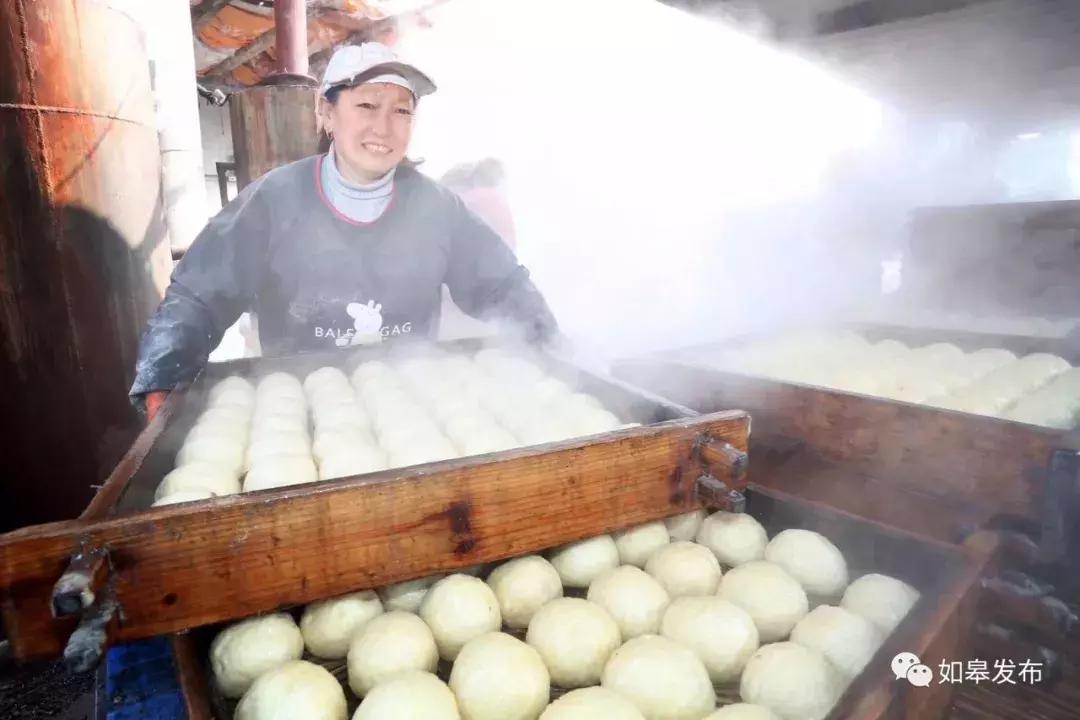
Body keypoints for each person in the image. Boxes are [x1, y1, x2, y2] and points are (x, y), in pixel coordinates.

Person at [131, 42, 558, 416]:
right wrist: (164, 374)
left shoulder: (437, 208)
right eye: (367, 106)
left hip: (415, 408)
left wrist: (551, 348)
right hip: (295, 409)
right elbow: (199, 296)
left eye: (401, 111)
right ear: (326, 112)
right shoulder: (274, 201)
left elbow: (501, 285)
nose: (383, 127)